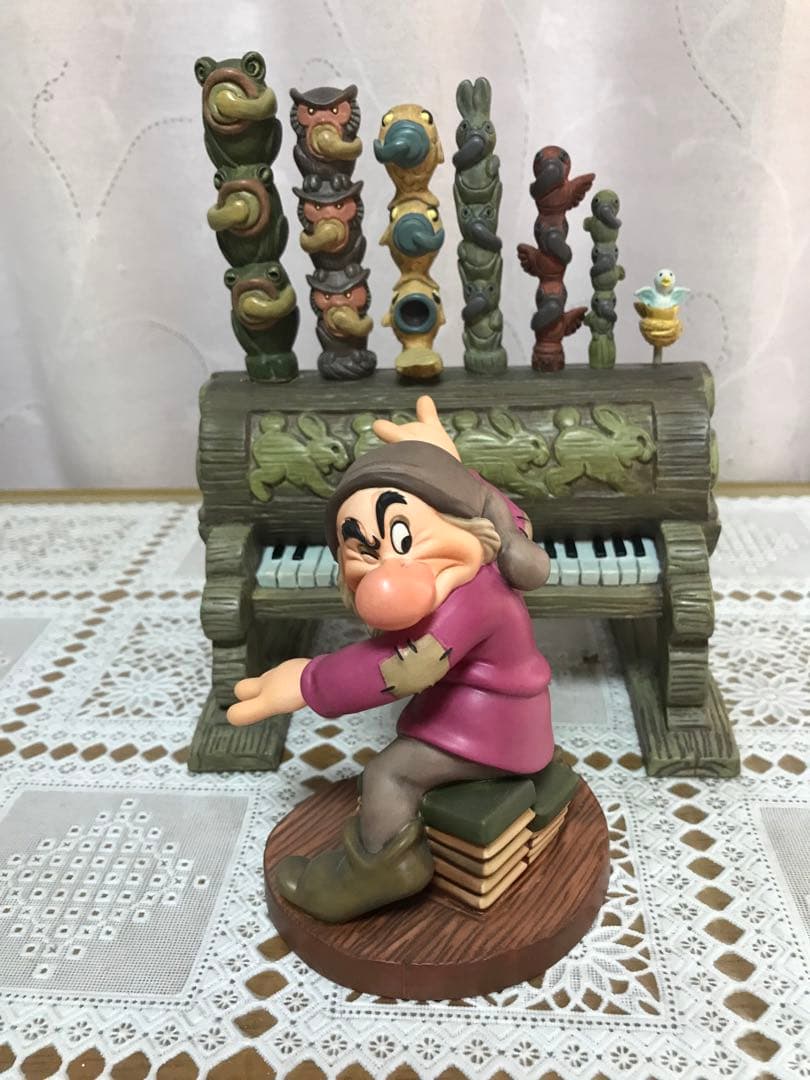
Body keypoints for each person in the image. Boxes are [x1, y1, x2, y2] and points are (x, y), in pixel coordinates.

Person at [228, 396, 553, 922]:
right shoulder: (494, 554)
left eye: (402, 536)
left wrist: (308, 682)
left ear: (458, 518)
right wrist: (448, 462)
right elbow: (503, 511)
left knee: (387, 775)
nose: (388, 569)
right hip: (490, 715)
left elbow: (402, 667)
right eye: (364, 550)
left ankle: (379, 869)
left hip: (500, 730)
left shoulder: (471, 601)